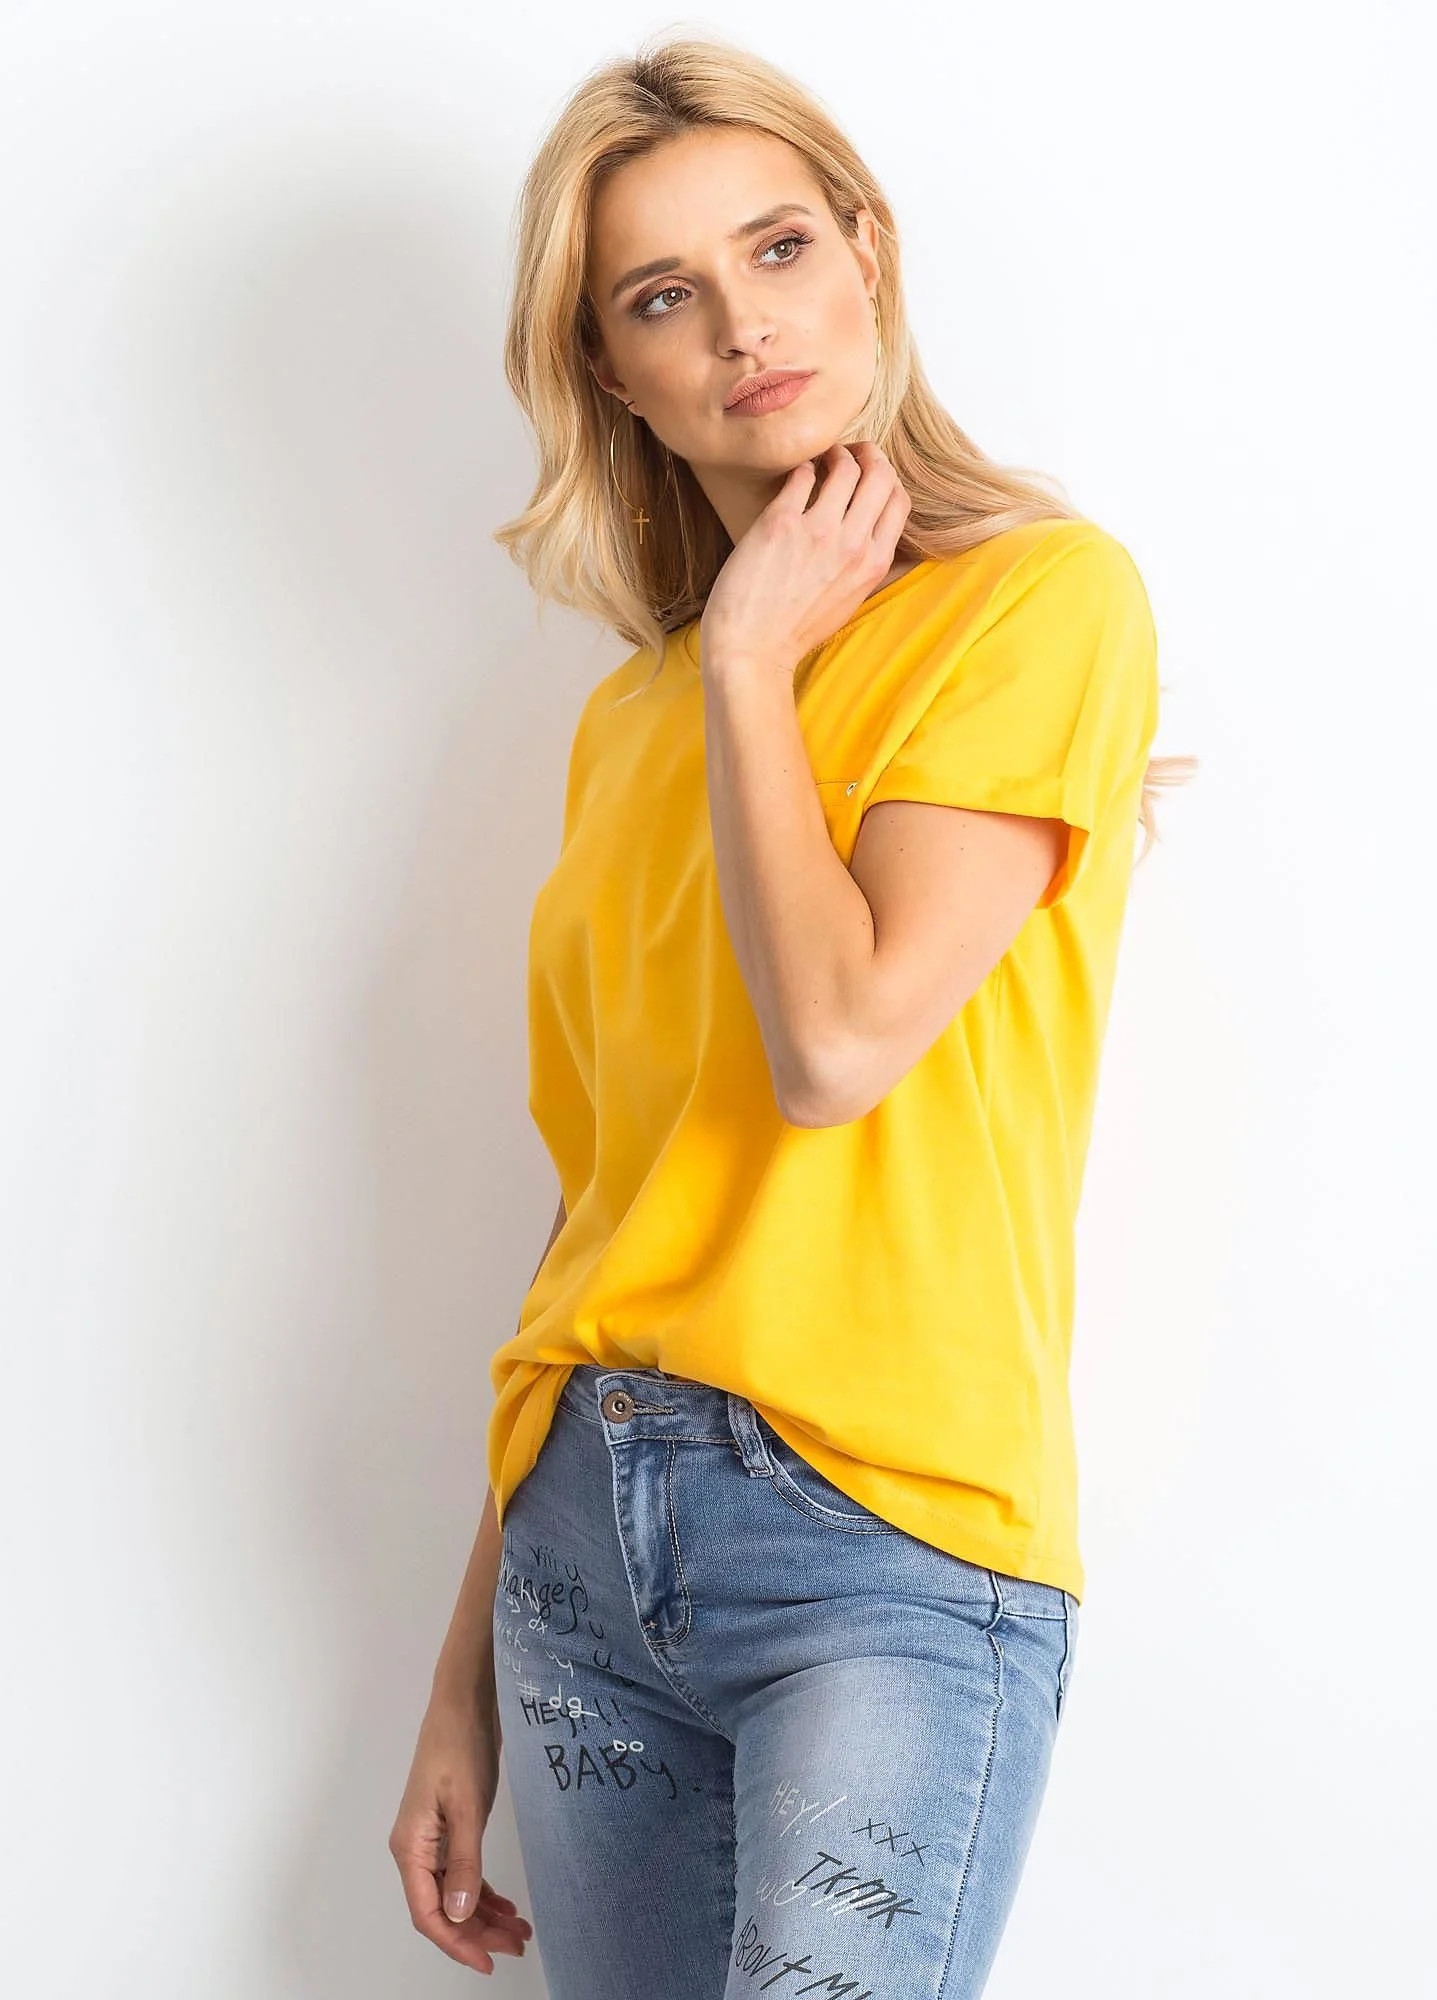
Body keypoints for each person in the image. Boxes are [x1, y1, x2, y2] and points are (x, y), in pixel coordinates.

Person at [389, 31, 1194, 1997]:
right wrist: (459, 1671)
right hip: (581, 1542)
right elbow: (603, 1215)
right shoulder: (630, 721)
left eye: (777, 249)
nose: (745, 325)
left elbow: (837, 1046)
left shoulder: (1040, 603)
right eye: (664, 295)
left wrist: (755, 662)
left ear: (868, 255)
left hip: (882, 1546)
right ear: (610, 369)